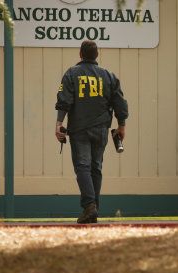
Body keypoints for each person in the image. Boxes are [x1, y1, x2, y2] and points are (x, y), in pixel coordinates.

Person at [55, 40, 129, 223]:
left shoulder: (72, 74)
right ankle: (93, 208)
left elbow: (64, 99)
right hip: (101, 129)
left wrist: (59, 123)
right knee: (96, 168)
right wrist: (121, 125)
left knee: (82, 166)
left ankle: (90, 206)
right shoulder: (108, 76)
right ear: (97, 55)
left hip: (79, 129)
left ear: (80, 54)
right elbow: (119, 102)